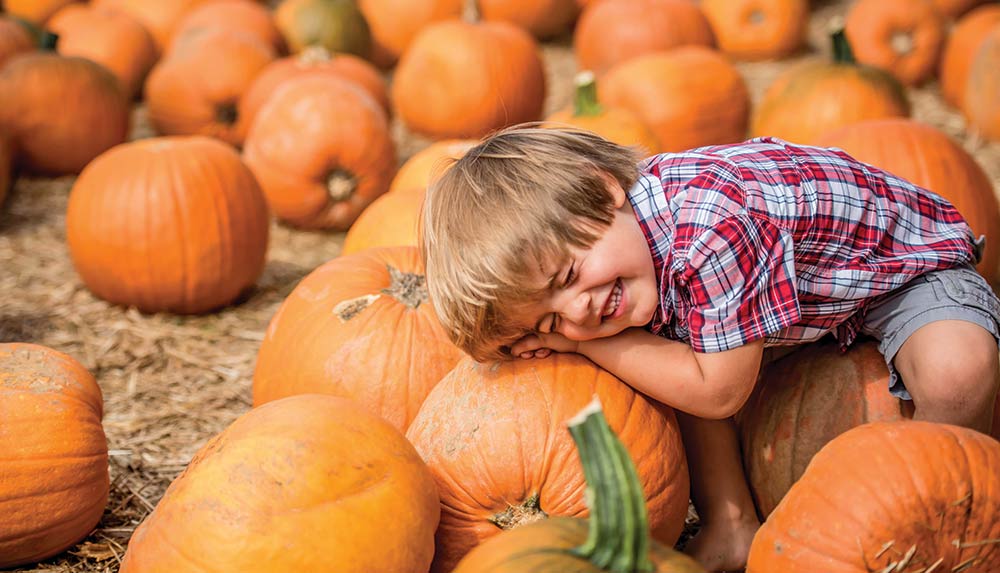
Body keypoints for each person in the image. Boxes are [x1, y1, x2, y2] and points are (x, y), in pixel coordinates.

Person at [420, 125, 1000, 572]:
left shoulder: (713, 226)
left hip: (899, 272)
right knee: (673, 357)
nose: (577, 312)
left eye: (568, 275)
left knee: (958, 371)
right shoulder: (626, 256)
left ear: (602, 192)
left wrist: (595, 350)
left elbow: (719, 391)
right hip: (799, 306)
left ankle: (951, 505)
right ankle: (730, 523)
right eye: (548, 321)